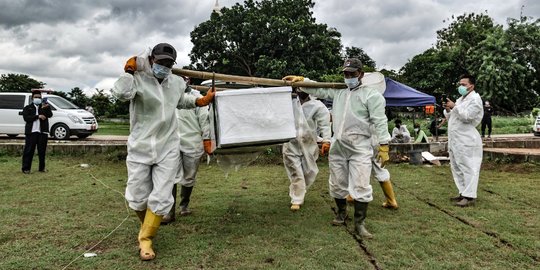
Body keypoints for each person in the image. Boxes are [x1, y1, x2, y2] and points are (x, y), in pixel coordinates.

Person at [111, 43, 215, 261]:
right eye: (161, 62)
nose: (164, 66)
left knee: (162, 195)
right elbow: (121, 94)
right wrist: (129, 72)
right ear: (151, 60)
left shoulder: (176, 82)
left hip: (168, 146)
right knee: (137, 196)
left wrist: (200, 100)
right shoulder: (138, 79)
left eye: (169, 63)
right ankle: (147, 226)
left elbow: (182, 101)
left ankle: (146, 239)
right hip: (140, 146)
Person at [283, 58, 391, 238]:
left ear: (361, 75)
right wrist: (302, 81)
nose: (348, 77)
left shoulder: (371, 96)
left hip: (360, 146)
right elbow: (319, 89)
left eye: (352, 74)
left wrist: (384, 145)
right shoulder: (340, 93)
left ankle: (360, 223)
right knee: (337, 181)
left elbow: (380, 121)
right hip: (339, 145)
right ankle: (341, 214)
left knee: (361, 183)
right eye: (346, 74)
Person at [161, 85, 212, 224]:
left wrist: (206, 139)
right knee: (170, 176)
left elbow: (204, 120)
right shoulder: (168, 96)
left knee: (189, 177)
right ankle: (169, 212)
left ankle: (184, 206)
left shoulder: (198, 98)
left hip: (192, 142)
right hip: (172, 142)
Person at [283, 88, 331, 211]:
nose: (301, 91)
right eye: (298, 88)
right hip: (291, 143)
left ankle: (300, 190)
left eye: (303, 88)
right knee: (295, 171)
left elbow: (324, 124)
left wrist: (326, 140)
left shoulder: (317, 106)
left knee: (309, 172)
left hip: (309, 144)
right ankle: (297, 200)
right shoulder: (289, 103)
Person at [443, 74, 483, 207]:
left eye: (464, 84)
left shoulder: (475, 100)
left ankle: (469, 196)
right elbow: (453, 117)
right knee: (457, 166)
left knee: (469, 167)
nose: (461, 87)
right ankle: (462, 192)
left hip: (467, 139)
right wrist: (449, 109)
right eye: (460, 84)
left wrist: (454, 106)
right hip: (456, 138)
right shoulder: (460, 99)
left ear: (471, 86)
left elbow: (467, 117)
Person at [21, 91, 53, 174]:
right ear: (32, 98)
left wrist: (47, 108)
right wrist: (37, 116)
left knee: (42, 151)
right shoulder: (28, 108)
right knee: (29, 151)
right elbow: (26, 118)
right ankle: (26, 168)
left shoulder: (44, 107)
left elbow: (50, 115)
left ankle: (42, 168)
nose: (37, 99)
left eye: (39, 97)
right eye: (36, 97)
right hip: (31, 132)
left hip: (42, 132)